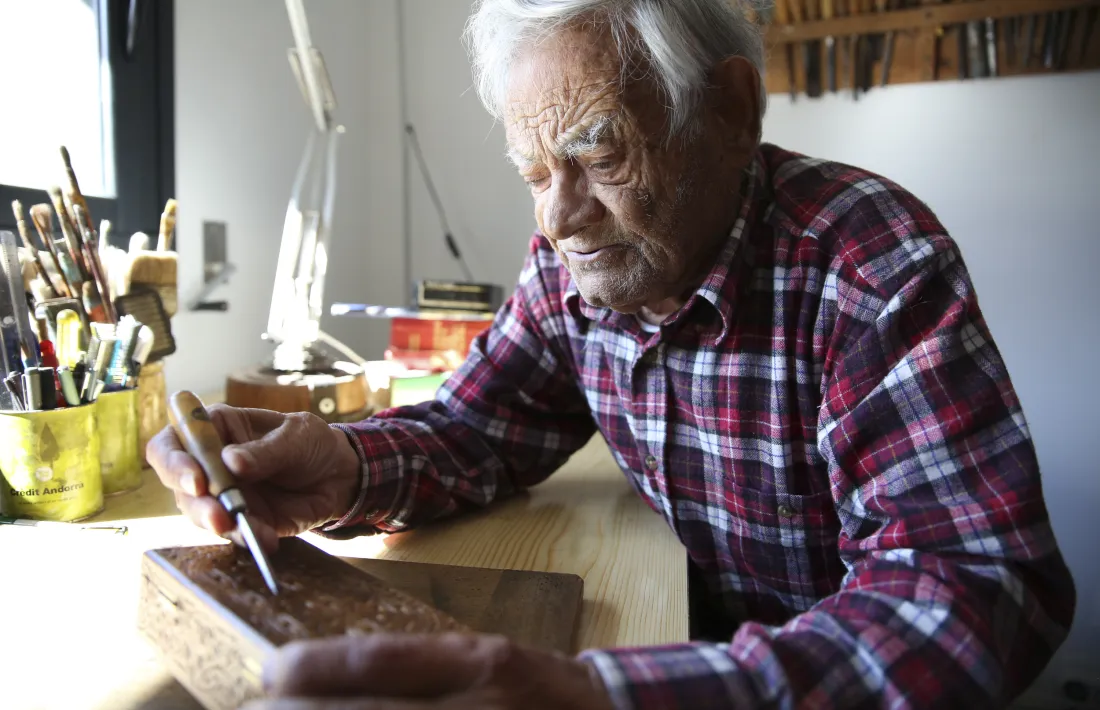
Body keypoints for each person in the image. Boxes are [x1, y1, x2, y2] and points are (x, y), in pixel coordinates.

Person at [150, 1, 1076, 708]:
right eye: (534, 174)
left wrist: (608, 695)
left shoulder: (870, 267)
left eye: (598, 159)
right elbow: (481, 425)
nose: (559, 218)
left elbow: (977, 589)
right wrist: (342, 463)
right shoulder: (577, 265)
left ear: (730, 109)